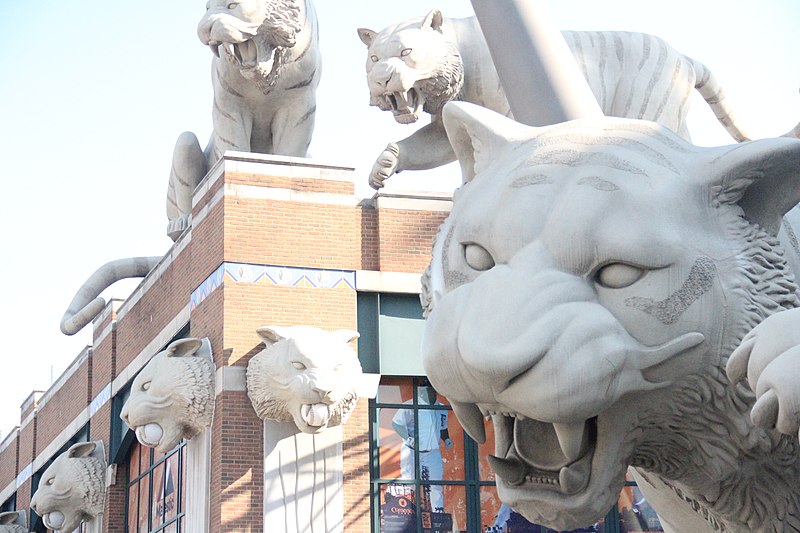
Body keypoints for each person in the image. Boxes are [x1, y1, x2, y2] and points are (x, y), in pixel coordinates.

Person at [392, 383, 452, 512]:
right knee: (410, 481)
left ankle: (438, 512)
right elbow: (396, 423)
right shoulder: (410, 406)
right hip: (412, 450)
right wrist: (407, 438)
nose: (431, 394)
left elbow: (443, 427)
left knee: (435, 484)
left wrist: (446, 439)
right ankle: (409, 510)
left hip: (432, 451)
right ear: (421, 392)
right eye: (428, 391)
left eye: (433, 391)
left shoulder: (441, 408)